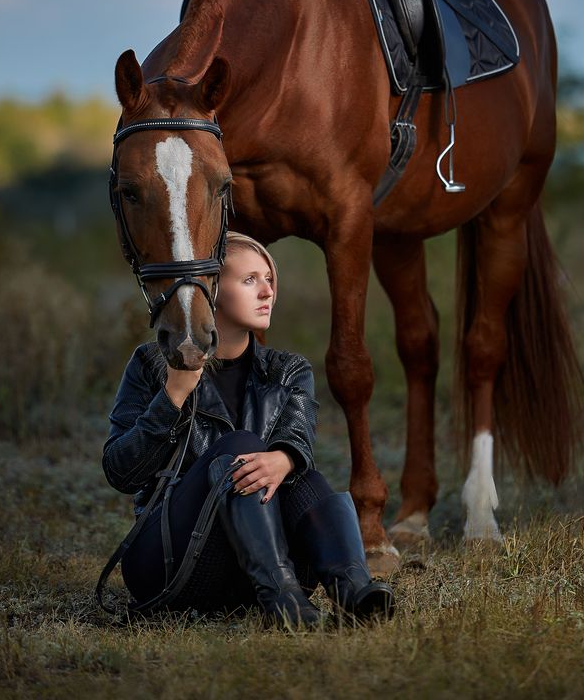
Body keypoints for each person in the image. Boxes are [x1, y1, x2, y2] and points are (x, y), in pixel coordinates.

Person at [102, 231, 394, 627]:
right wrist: (172, 396)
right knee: (241, 446)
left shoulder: (288, 370)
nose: (266, 292)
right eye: (250, 280)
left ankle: (353, 589)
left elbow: (298, 438)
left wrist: (285, 458)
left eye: (269, 279)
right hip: (171, 564)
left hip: (254, 572)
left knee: (299, 472)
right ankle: (283, 599)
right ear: (212, 290)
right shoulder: (151, 364)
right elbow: (120, 471)